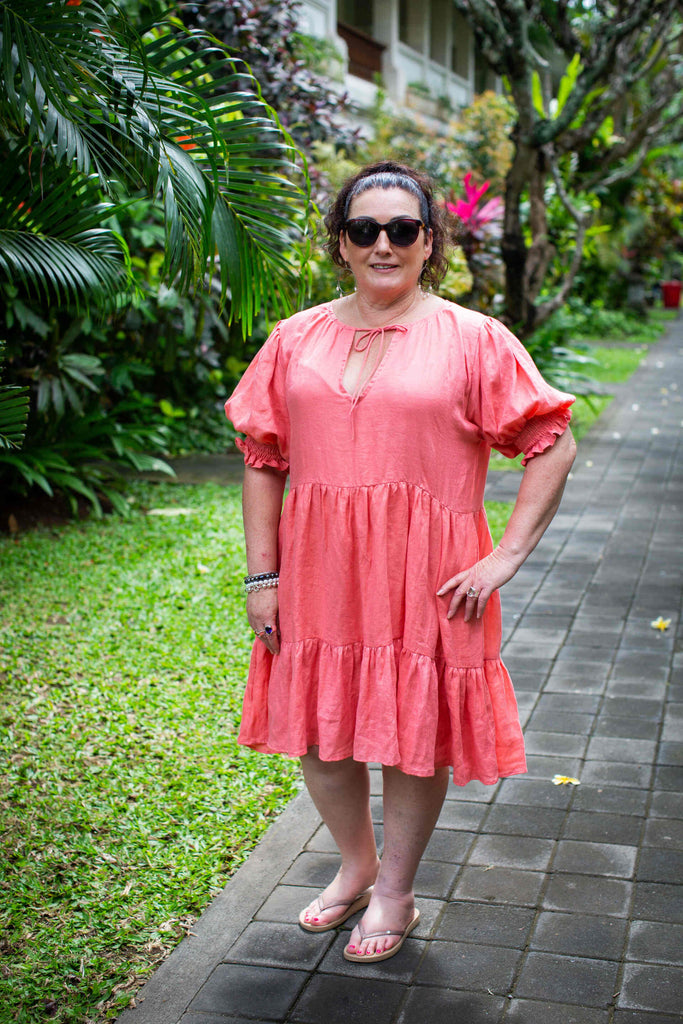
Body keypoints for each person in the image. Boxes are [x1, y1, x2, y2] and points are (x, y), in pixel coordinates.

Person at [224, 161, 576, 963]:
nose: (382, 244)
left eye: (401, 230)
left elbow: (550, 443)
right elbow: (261, 457)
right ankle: (355, 866)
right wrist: (262, 576)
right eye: (363, 229)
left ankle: (397, 891)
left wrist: (504, 556)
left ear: (428, 243)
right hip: (318, 570)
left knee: (415, 736)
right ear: (340, 243)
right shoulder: (294, 338)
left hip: (430, 577)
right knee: (321, 737)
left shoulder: (474, 338)